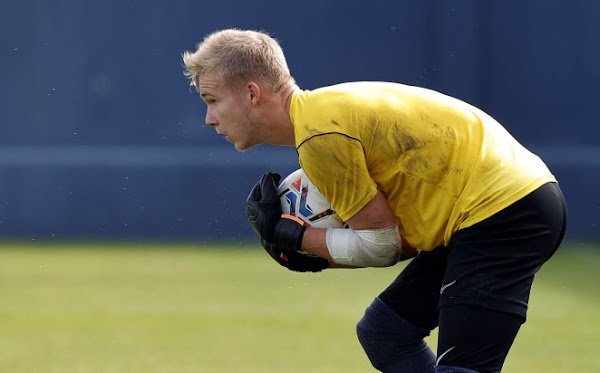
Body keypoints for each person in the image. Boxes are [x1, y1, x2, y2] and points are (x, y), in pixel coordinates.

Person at [182, 29, 567, 373]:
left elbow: (382, 246)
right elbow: (397, 242)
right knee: (386, 333)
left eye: (213, 100)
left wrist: (296, 238)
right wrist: (310, 248)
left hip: (505, 212)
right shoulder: (324, 113)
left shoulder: (320, 136)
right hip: (502, 206)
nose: (209, 119)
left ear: (252, 92)